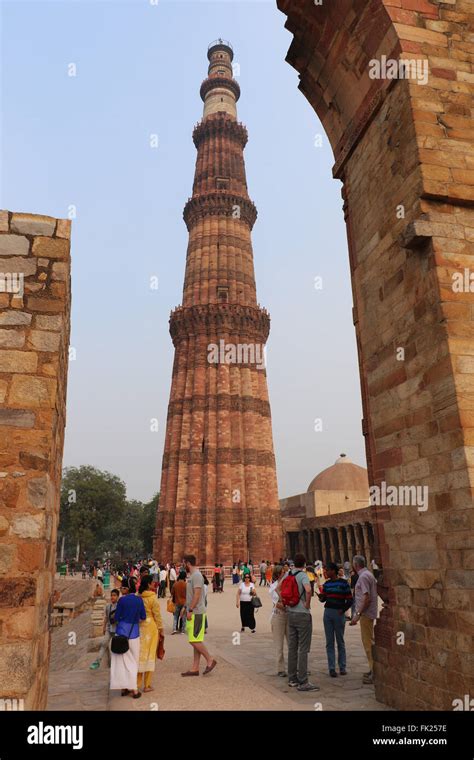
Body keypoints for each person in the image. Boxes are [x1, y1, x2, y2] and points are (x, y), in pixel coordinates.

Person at [283, 553, 319, 692]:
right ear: (304, 564)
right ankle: (303, 681)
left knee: (292, 646)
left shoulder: (289, 574)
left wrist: (286, 603)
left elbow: (279, 588)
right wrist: (307, 604)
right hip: (302, 614)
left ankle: (292, 678)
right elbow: (309, 590)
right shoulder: (303, 575)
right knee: (303, 648)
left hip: (291, 612)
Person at [110, 578, 146, 699]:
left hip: (121, 633)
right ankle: (134, 689)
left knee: (121, 662)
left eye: (122, 588)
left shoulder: (122, 601)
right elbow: (143, 617)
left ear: (126, 588)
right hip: (134, 634)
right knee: (133, 662)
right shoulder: (139, 600)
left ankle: (124, 687)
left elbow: (117, 617)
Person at [181, 555, 217, 676]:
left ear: (188, 563)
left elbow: (197, 595)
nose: (182, 565)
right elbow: (191, 595)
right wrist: (185, 608)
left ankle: (210, 659)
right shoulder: (192, 576)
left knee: (193, 640)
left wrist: (190, 609)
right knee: (196, 639)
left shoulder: (196, 575)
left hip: (196, 612)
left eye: (183, 563)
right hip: (193, 610)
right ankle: (195, 668)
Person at [317, 562, 353, 677]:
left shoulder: (343, 583)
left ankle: (342, 667)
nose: (326, 572)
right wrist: (321, 597)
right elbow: (324, 599)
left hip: (338, 613)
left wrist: (343, 610)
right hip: (328, 612)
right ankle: (331, 668)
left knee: (340, 641)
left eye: (327, 570)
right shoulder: (327, 584)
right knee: (329, 642)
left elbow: (350, 599)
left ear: (333, 571)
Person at [350, 555, 378, 684]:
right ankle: (373, 669)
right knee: (369, 641)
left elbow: (366, 598)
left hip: (366, 613)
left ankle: (375, 672)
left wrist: (358, 614)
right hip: (368, 612)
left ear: (356, 565)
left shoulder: (363, 577)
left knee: (367, 643)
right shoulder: (368, 574)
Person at [137, 575, 164, 692]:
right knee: (150, 654)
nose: (154, 584)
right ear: (148, 584)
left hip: (140, 627)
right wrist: (161, 628)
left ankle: (136, 684)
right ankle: (147, 685)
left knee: (140, 654)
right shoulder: (153, 598)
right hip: (151, 627)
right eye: (152, 582)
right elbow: (157, 615)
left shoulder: (139, 597)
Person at [90, 588, 120, 670]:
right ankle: (97, 661)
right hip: (109, 629)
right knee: (104, 644)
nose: (112, 597)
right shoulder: (108, 606)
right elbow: (106, 618)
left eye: (114, 595)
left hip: (117, 630)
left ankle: (116, 664)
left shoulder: (120, 607)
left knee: (116, 648)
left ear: (118, 596)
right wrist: (104, 627)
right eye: (111, 595)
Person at [269, 565, 288, 676]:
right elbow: (277, 604)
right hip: (278, 615)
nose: (284, 574)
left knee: (292, 643)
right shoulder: (273, 587)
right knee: (279, 644)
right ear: (277, 574)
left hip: (288, 614)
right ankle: (281, 669)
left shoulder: (288, 584)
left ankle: (295, 665)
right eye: (282, 572)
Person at [171, 570, 187, 634]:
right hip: (184, 603)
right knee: (183, 617)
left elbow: (172, 593)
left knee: (175, 616)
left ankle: (174, 629)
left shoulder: (175, 584)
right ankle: (182, 630)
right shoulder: (186, 585)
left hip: (177, 602)